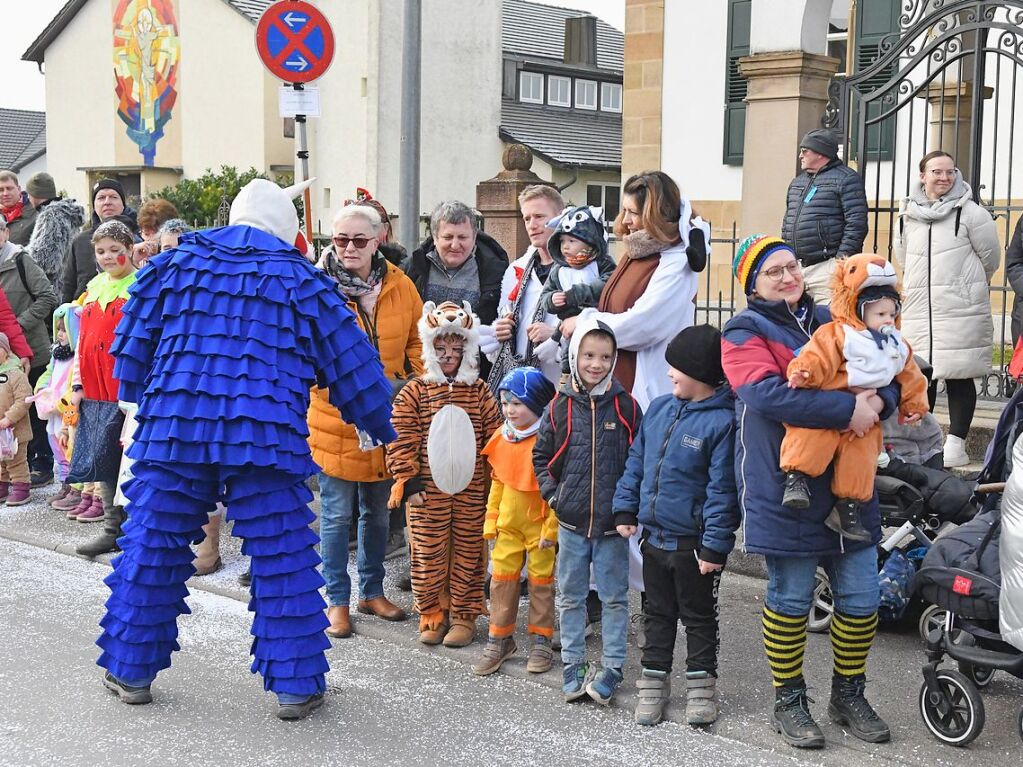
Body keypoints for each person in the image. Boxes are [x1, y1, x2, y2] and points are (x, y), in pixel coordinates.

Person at [95, 178, 396, 721]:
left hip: (175, 432)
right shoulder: (305, 282)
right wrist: (388, 426)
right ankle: (296, 685)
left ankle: (130, 669)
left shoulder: (172, 265)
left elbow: (131, 350)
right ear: (290, 230)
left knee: (152, 548)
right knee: (282, 560)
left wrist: (141, 400)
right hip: (267, 440)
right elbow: (357, 377)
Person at [722, 235, 897, 750]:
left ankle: (848, 693)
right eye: (772, 270)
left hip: (851, 478)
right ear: (752, 282)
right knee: (792, 598)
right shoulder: (743, 329)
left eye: (791, 266)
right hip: (785, 481)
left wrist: (882, 403)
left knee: (863, 597)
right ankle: (789, 699)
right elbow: (763, 392)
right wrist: (848, 410)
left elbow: (888, 364)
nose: (786, 276)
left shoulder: (835, 315)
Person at [613, 324, 738, 727]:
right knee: (657, 614)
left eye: (676, 368)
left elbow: (723, 491)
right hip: (654, 540)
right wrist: (625, 509)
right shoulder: (660, 409)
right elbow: (637, 462)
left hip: (694, 547)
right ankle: (653, 683)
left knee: (699, 618)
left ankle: (701, 689)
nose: (669, 375)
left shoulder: (722, 423)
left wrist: (715, 546)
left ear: (700, 374)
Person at [309, 203, 423, 639]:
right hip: (335, 416)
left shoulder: (400, 285)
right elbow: (307, 352)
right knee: (337, 515)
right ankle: (336, 600)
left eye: (359, 240)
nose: (349, 247)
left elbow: (417, 339)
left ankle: (371, 590)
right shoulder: (316, 288)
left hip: (388, 415)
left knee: (378, 512)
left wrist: (410, 382)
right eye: (340, 239)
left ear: (378, 240)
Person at [781, 253, 930, 541]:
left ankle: (848, 508)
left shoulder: (897, 344)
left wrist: (914, 403)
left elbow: (911, 375)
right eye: (880, 314)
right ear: (859, 310)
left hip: (867, 416)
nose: (888, 320)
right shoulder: (839, 333)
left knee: (861, 456)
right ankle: (797, 478)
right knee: (811, 438)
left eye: (891, 314)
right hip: (830, 398)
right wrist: (803, 373)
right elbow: (817, 356)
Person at [533, 319, 642, 707]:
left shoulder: (627, 406)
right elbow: (541, 456)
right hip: (571, 522)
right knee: (572, 595)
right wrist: (555, 497)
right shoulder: (559, 406)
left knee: (614, 597)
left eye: (606, 357)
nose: (596, 364)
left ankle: (612, 666)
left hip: (614, 526)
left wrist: (629, 508)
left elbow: (638, 462)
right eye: (589, 355)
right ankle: (573, 663)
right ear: (575, 354)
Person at [386, 301, 502, 648]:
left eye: (457, 347)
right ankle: (432, 613)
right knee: (427, 552)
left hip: (471, 491)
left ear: (468, 349)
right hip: (428, 492)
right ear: (429, 347)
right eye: (441, 347)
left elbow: (494, 439)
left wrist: (494, 484)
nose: (449, 354)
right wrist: (409, 479)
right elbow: (400, 435)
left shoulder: (479, 392)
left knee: (468, 552)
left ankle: (465, 615)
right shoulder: (416, 391)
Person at [895, 150, 1001, 467]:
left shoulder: (972, 214)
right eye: (937, 172)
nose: (944, 178)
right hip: (918, 308)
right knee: (921, 376)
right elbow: (904, 258)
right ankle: (924, 441)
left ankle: (956, 444)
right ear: (922, 175)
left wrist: (961, 287)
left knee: (959, 375)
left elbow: (990, 259)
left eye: (950, 172)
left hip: (959, 307)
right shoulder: (906, 215)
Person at [473, 366, 557, 676]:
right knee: (501, 583)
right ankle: (499, 638)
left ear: (536, 403)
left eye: (518, 403)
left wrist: (551, 528)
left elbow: (554, 490)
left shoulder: (549, 441)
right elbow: (498, 481)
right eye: (505, 402)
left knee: (541, 585)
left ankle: (541, 640)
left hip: (539, 529)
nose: (509, 409)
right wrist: (490, 520)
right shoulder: (502, 437)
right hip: (508, 526)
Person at [63, 221, 137, 556]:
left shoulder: (141, 286)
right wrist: (77, 384)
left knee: (131, 460)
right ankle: (112, 529)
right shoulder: (93, 288)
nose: (108, 257)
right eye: (101, 251)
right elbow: (82, 345)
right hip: (95, 389)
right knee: (103, 459)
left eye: (115, 250)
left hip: (127, 388)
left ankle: (137, 531)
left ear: (129, 248)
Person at [482, 184, 565, 386]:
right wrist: (500, 331)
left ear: (560, 217)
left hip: (560, 386)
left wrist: (555, 336)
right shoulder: (516, 269)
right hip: (519, 393)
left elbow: (593, 335)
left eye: (539, 216)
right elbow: (504, 322)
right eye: (527, 218)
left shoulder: (579, 271)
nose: (532, 225)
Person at [0, 216, 60, 487]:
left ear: (6, 232)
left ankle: (41, 464)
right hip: (3, 354)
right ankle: (12, 467)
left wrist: (18, 326)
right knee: (6, 411)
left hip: (29, 348)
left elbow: (48, 297)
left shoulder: (20, 260)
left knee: (32, 409)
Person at [780, 129, 868, 305]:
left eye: (805, 151)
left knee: (827, 323)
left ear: (821, 153)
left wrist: (840, 262)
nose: (800, 156)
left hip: (827, 268)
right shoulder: (798, 182)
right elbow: (787, 221)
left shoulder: (847, 179)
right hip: (797, 267)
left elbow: (856, 223)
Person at [403, 201, 508, 329]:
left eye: (462, 237)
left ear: (474, 238)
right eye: (448, 237)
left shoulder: (497, 274)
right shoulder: (412, 269)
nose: (455, 245)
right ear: (435, 238)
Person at [538, 205, 616, 374]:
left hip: (596, 326)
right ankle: (568, 381)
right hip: (567, 328)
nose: (565, 247)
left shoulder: (602, 264)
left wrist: (576, 294)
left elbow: (607, 284)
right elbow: (545, 295)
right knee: (568, 357)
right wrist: (552, 300)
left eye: (572, 241)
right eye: (562, 241)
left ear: (590, 241)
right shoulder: (559, 270)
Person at [27, 304, 80, 510]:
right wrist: (41, 386)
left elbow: (75, 382)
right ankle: (65, 483)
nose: (60, 334)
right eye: (58, 329)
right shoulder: (57, 353)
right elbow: (49, 372)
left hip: (67, 408)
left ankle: (75, 485)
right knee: (55, 441)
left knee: (70, 444)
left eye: (65, 330)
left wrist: (61, 402)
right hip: (52, 409)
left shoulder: (76, 356)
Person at [62, 178, 140, 304]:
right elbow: (68, 283)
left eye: (113, 197)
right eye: (101, 198)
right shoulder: (80, 241)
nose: (107, 202)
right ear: (94, 205)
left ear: (123, 203)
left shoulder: (137, 238)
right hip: (84, 309)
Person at [24, 172, 86, 291]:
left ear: (33, 194)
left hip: (56, 288)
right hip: (69, 282)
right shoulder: (65, 213)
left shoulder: (52, 216)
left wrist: (18, 255)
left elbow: (46, 259)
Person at [0, 332, 34, 505]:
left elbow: (24, 399)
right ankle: (2, 486)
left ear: (6, 350)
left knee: (15, 460)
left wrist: (9, 418)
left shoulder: (15, 374)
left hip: (14, 430)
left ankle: (21, 487)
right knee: (1, 463)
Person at [132, 198, 178, 266]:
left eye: (156, 233)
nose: (150, 240)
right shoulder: (138, 251)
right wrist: (134, 261)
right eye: (146, 234)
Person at [0, 171, 37, 246]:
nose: (5, 193)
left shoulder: (36, 212)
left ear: (19, 189)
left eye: (9, 188)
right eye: (1, 190)